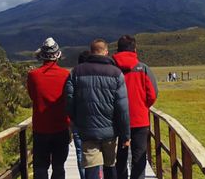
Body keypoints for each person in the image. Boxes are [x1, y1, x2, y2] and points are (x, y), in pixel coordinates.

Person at [65, 39, 130, 179]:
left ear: (91, 51)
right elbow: (122, 108)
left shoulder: (76, 72)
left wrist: (77, 121)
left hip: (87, 130)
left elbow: (69, 101)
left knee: (91, 168)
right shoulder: (116, 73)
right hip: (110, 131)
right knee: (110, 166)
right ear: (106, 52)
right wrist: (125, 135)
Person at [111, 35, 157, 179]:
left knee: (119, 155)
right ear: (135, 49)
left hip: (116, 119)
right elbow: (153, 94)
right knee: (139, 157)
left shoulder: (111, 69)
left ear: (118, 50)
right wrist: (143, 106)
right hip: (140, 119)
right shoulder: (143, 69)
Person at [28, 38, 71, 179]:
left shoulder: (33, 75)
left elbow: (33, 96)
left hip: (41, 128)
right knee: (59, 167)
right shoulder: (66, 75)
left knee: (40, 167)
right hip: (61, 127)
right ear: (58, 55)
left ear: (42, 55)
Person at [71, 50, 92, 179]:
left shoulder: (73, 75)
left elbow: (69, 98)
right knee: (96, 152)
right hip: (97, 121)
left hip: (78, 120)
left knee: (80, 152)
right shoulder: (99, 74)